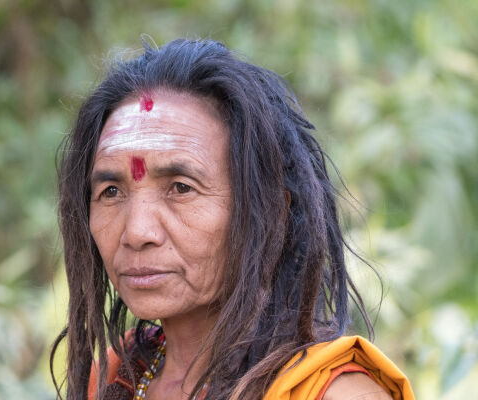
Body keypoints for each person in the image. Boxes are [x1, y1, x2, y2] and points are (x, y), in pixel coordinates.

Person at [51, 38, 414, 400]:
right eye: (111, 192)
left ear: (271, 214)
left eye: (181, 187)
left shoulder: (332, 394)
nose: (137, 232)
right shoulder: (119, 375)